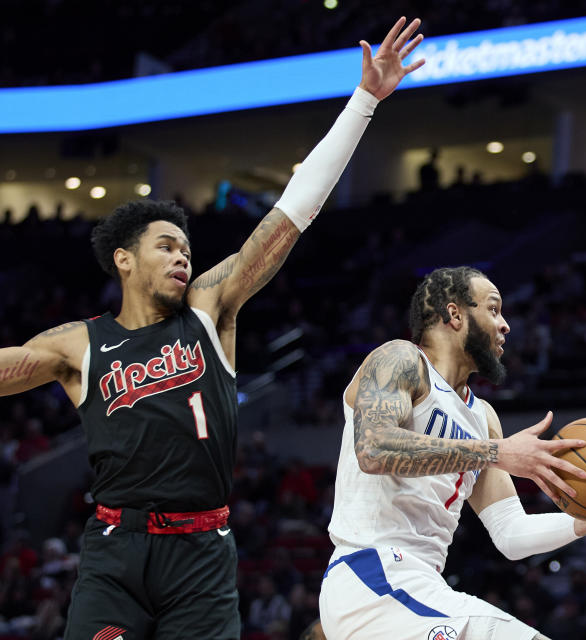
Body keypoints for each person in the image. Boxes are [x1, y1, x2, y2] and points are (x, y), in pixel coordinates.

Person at [0, 16, 425, 640]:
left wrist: (365, 100)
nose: (183, 257)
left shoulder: (208, 308)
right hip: (115, 551)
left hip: (202, 555)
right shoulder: (77, 342)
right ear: (124, 259)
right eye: (167, 246)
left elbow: (290, 214)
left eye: (187, 248)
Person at [319, 266, 586, 640]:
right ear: (455, 314)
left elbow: (511, 534)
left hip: (420, 585)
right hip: (373, 576)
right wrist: (496, 452)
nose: (505, 325)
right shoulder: (400, 360)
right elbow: (374, 449)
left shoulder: (482, 417)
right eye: (494, 309)